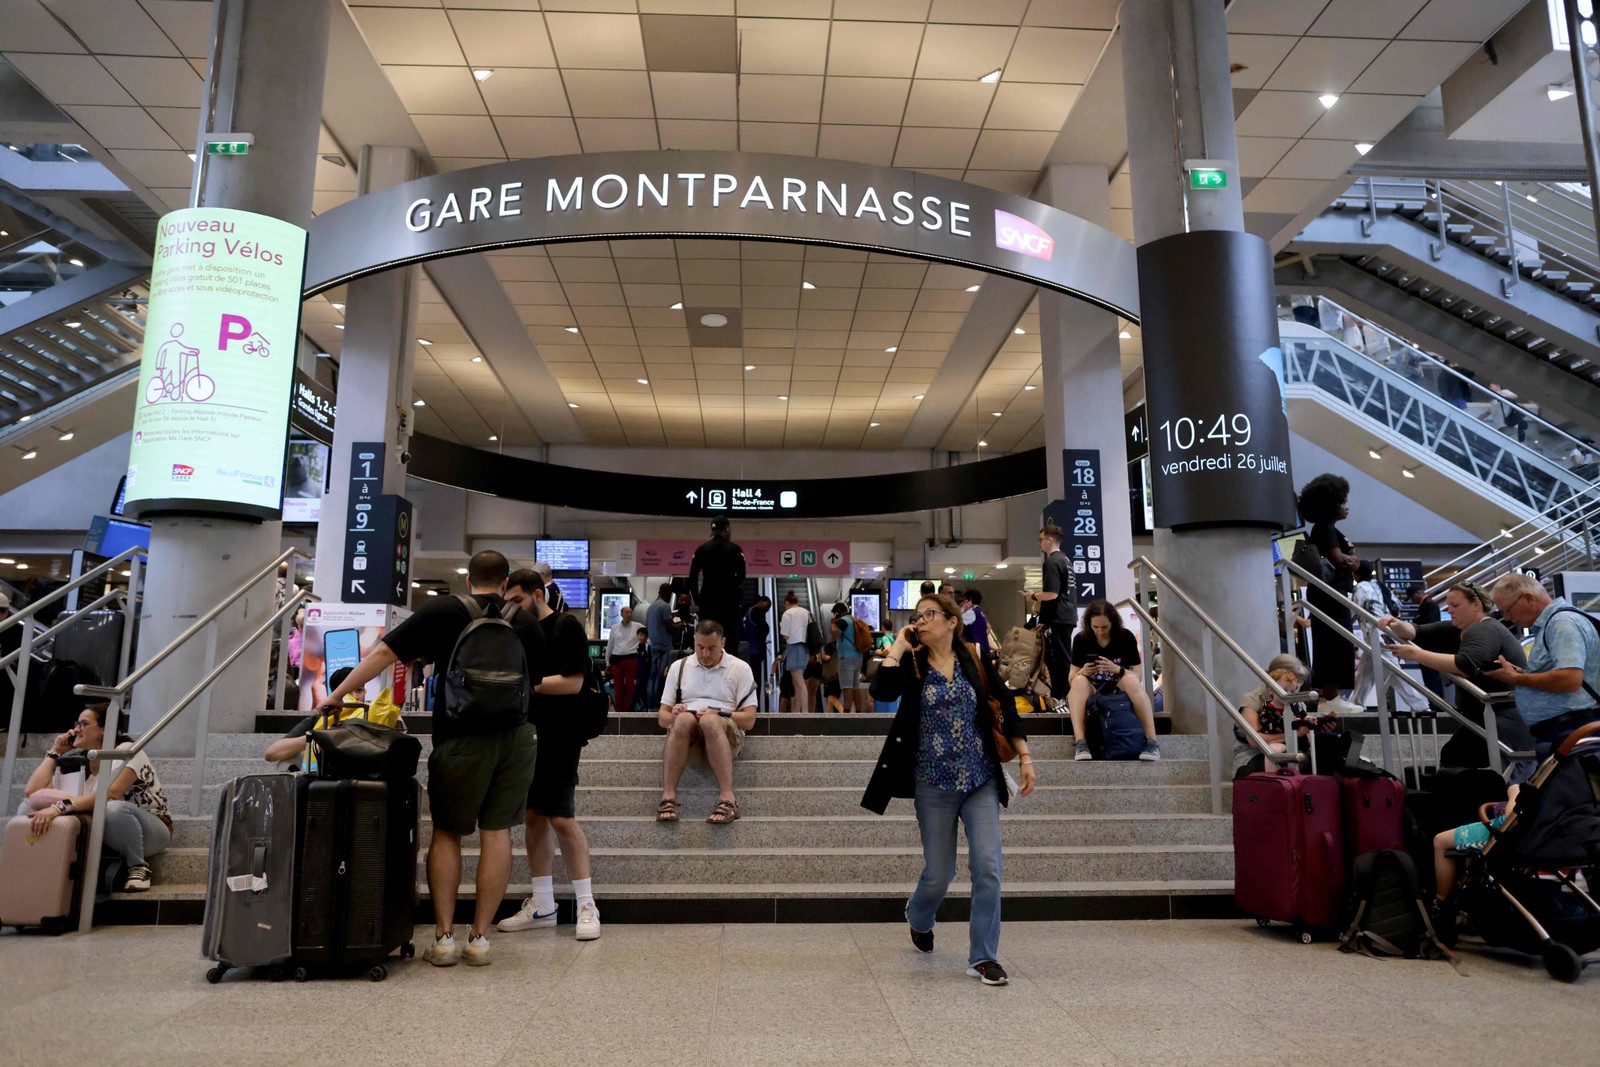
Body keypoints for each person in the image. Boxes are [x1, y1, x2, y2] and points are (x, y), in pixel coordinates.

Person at [320, 549, 540, 967]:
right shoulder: (524, 621)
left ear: (470, 578)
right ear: (506, 579)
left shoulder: (443, 609)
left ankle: (443, 939)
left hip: (460, 737)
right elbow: (537, 681)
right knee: (497, 834)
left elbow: (384, 654)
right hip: (517, 738)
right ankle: (480, 939)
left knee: (447, 833)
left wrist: (338, 693)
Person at [863, 593, 1035, 986]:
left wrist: (1024, 756)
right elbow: (882, 693)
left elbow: (1005, 706)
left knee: (987, 868)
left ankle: (983, 958)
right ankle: (919, 916)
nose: (921, 621)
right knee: (940, 873)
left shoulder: (976, 658)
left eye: (929, 615)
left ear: (952, 621)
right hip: (933, 782)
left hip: (980, 780)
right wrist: (900, 645)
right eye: (917, 616)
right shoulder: (912, 662)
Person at [498, 569, 601, 941]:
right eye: (508, 601)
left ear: (537, 595)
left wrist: (523, 686)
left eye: (518, 601)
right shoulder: (515, 631)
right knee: (532, 816)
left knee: (560, 816)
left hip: (561, 736)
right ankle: (543, 904)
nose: (512, 608)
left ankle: (586, 903)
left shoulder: (566, 627)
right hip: (526, 734)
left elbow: (573, 683)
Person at [1378, 582, 1535, 769]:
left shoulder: (1485, 629)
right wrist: (1395, 623)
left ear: (1476, 605)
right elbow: (1418, 632)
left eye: (1455, 605)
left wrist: (1415, 654)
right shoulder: (1459, 629)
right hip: (1486, 716)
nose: (1450, 610)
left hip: (1506, 719)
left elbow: (1466, 665)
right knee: (1455, 759)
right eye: (1449, 605)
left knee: (1478, 769)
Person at [20, 703, 170, 893]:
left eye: (83, 724)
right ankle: (35, 865)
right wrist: (54, 752)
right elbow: (32, 792)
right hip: (96, 827)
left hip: (147, 831)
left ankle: (138, 867)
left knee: (112, 808)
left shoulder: (127, 751)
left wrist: (58, 807)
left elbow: (110, 794)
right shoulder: (76, 761)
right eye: (76, 723)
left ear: (104, 730)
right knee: (27, 808)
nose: (75, 729)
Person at [1486, 573, 1600, 759]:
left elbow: (1570, 679)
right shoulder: (1554, 624)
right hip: (1566, 729)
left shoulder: (1561, 623)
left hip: (1572, 730)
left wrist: (1517, 678)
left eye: (1507, 610)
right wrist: (1525, 675)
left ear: (1528, 598)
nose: (1506, 618)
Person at [655, 619, 758, 825]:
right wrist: (674, 714)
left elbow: (749, 720)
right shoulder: (679, 667)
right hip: (688, 733)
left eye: (711, 648)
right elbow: (662, 718)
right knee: (683, 719)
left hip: (724, 730)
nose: (705, 654)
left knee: (710, 721)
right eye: (700, 648)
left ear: (723, 643)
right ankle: (668, 797)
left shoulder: (740, 668)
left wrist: (720, 714)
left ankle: (728, 798)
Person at [1063, 599, 1160, 761]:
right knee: (1078, 682)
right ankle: (1081, 743)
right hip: (1093, 690)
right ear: (1089, 624)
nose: (1100, 632)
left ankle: (1152, 741)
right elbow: (1071, 678)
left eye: (1104, 627)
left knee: (1130, 680)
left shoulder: (1126, 637)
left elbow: (1138, 676)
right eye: (1095, 627)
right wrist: (1083, 671)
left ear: (1113, 623)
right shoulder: (1081, 639)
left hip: (1118, 689)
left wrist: (1118, 670)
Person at [1297, 474, 1362, 715]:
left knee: (1331, 643)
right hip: (1331, 595)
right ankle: (1331, 696)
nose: (1346, 507)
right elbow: (1340, 560)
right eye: (1342, 502)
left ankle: (1329, 695)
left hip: (1324, 594)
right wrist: (1353, 560)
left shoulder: (1322, 529)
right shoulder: (1327, 530)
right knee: (1337, 643)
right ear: (1330, 505)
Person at [1234, 654, 1338, 774]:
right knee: (1279, 760)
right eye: (1286, 688)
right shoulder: (1252, 700)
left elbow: (1301, 729)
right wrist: (1296, 733)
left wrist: (1316, 726)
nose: (1290, 693)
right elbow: (1254, 741)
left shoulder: (1296, 701)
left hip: (1292, 749)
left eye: (1295, 688)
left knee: (1331, 744)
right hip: (1255, 755)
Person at [1024, 524, 1075, 713]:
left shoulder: (1052, 562)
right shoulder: (1066, 560)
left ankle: (1062, 698)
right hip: (1065, 616)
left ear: (1049, 540)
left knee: (1058, 660)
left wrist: (1033, 595)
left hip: (1059, 618)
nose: (1039, 544)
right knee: (1062, 658)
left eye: (1040, 540)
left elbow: (1052, 594)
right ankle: (1064, 696)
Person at [688, 517, 747, 656]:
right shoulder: (735, 549)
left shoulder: (702, 549)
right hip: (729, 603)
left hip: (708, 603)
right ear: (726, 529)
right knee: (730, 643)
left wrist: (697, 600)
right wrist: (731, 585)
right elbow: (742, 575)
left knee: (707, 640)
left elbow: (693, 577)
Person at [824, 602, 865, 712]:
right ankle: (859, 712)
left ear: (838, 612)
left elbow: (834, 635)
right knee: (855, 685)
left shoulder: (843, 621)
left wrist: (833, 623)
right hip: (857, 656)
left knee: (847, 686)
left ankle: (846, 712)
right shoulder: (853, 619)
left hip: (846, 658)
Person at [778, 590, 813, 715]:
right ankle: (797, 710)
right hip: (805, 647)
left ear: (787, 602)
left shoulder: (788, 613)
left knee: (798, 680)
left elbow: (786, 635)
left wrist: (781, 625)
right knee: (797, 680)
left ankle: (805, 711)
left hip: (794, 646)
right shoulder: (806, 612)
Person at [605, 604, 644, 716]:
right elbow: (610, 645)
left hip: (631, 659)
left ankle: (628, 711)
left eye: (631, 612)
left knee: (630, 687)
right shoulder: (615, 628)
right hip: (617, 660)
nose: (629, 614)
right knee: (618, 687)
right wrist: (608, 663)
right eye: (627, 612)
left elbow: (647, 635)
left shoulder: (638, 626)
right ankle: (619, 712)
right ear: (621, 614)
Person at [1409, 587, 1446, 698]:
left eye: (1412, 597)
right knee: (1429, 681)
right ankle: (1436, 705)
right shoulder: (1424, 605)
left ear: (1418, 592)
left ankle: (1439, 708)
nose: (1412, 600)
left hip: (1430, 648)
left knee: (1433, 680)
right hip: (1425, 648)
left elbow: (1433, 625)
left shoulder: (1430, 604)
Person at [644, 583, 676, 711]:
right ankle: (658, 705)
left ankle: (650, 705)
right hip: (665, 646)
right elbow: (669, 626)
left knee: (651, 677)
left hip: (654, 646)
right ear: (665, 592)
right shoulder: (665, 606)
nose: (670, 597)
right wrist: (678, 626)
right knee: (661, 677)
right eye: (669, 594)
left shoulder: (650, 607)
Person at [742, 594, 772, 699]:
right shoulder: (756, 611)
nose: (767, 610)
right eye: (767, 606)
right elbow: (764, 628)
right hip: (755, 650)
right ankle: (756, 705)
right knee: (756, 680)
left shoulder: (747, 611)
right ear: (761, 602)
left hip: (747, 650)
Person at [961, 589, 991, 658]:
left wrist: (963, 609)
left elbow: (955, 623)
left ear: (969, 600)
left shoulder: (971, 613)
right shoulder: (980, 612)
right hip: (983, 649)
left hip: (976, 651)